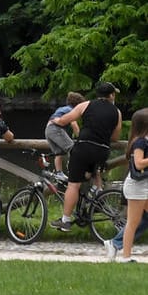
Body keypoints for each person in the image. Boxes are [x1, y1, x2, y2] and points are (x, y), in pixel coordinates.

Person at [54, 82, 123, 232]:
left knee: (74, 184)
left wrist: (56, 121)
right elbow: (116, 137)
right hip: (102, 150)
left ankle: (65, 220)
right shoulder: (117, 112)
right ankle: (96, 196)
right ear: (111, 95)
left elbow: (65, 120)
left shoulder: (85, 105)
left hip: (84, 147)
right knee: (94, 174)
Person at [117, 110, 148, 262]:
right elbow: (139, 163)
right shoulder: (140, 142)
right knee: (133, 222)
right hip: (138, 187)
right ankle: (126, 256)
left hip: (144, 185)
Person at [45, 92, 83, 176]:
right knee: (73, 149)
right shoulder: (71, 110)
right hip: (56, 129)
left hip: (48, 130)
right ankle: (72, 169)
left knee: (59, 153)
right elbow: (74, 124)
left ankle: (59, 173)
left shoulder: (62, 108)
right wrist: (80, 137)